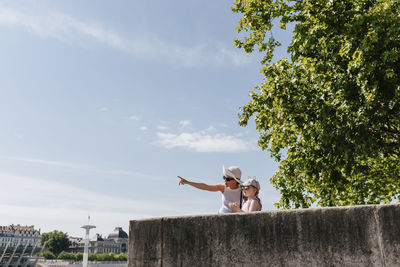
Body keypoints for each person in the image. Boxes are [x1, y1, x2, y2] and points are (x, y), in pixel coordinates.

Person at [177, 166, 243, 213]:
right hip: (222, 217)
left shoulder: (243, 190)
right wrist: (188, 182)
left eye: (228, 179)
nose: (225, 180)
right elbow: (206, 187)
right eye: (224, 177)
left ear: (235, 181)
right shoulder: (222, 187)